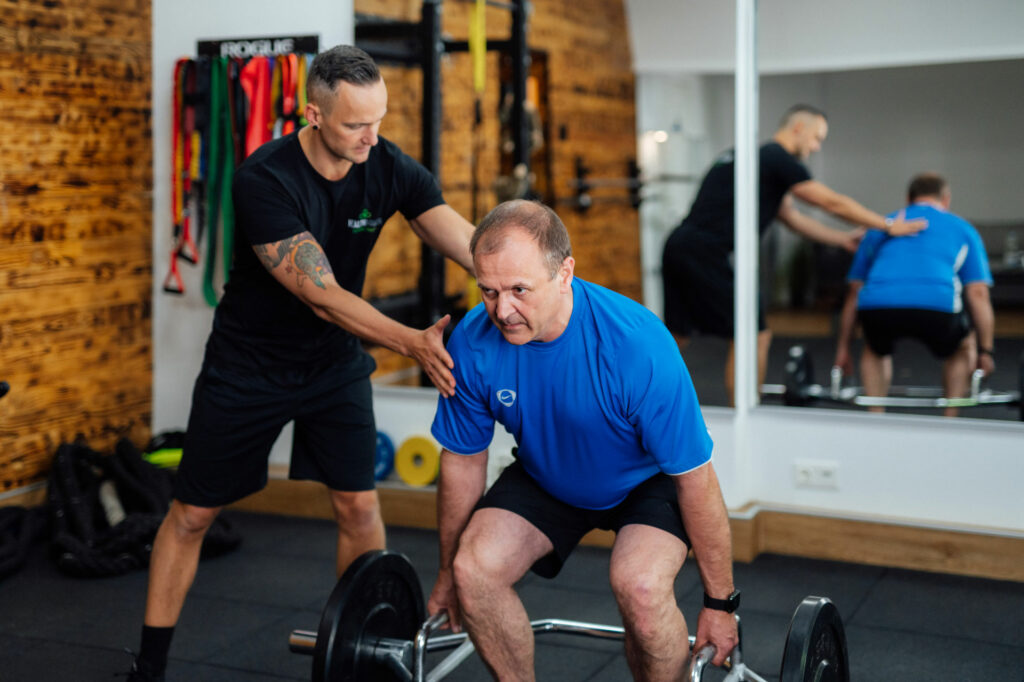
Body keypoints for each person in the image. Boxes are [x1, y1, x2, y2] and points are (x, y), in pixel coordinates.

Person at [126, 45, 476, 681]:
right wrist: (414, 342)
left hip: (332, 368)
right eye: (354, 125)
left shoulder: (385, 162)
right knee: (194, 514)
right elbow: (322, 296)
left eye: (379, 121)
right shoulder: (264, 179)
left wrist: (521, 278)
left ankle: (369, 656)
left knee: (359, 507)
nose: (371, 138)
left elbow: (456, 233)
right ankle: (148, 667)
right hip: (248, 365)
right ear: (313, 114)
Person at [427, 199, 738, 681]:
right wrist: (448, 571)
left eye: (519, 290)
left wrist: (721, 603)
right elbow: (463, 462)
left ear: (565, 272)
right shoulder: (472, 342)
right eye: (487, 291)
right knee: (475, 571)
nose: (502, 310)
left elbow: (695, 477)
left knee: (639, 588)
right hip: (546, 474)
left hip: (644, 482)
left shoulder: (635, 345)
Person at [661, 104, 927, 403]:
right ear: (798, 128)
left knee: (676, 336)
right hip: (703, 251)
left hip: (678, 245)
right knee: (753, 334)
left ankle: (626, 398)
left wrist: (841, 240)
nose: (816, 147)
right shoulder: (778, 158)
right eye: (816, 137)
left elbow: (793, 219)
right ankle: (746, 414)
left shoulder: (749, 157)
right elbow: (830, 203)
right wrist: (888, 226)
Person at [834, 172, 995, 417]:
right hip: (938, 309)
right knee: (964, 347)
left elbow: (854, 293)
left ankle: (875, 417)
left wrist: (842, 349)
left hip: (879, 307)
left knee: (875, 348)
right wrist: (986, 351)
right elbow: (978, 294)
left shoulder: (880, 226)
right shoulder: (963, 229)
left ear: (908, 198)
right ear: (946, 199)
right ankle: (950, 419)